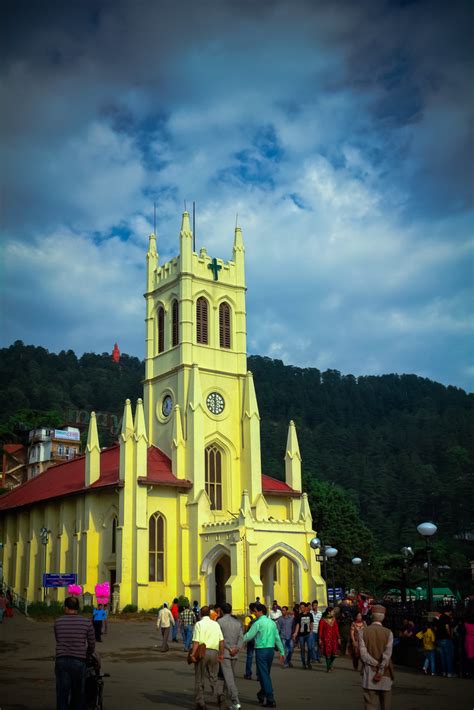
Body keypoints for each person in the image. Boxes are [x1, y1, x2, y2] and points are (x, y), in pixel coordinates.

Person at [54, 595, 96, 710]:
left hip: (61, 660)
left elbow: (58, 639)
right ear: (78, 608)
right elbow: (92, 643)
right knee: (78, 693)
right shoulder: (86, 622)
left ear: (66, 608)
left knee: (62, 693)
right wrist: (88, 653)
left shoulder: (58, 622)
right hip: (79, 661)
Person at [243, 602, 285, 709]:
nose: (254, 613)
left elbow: (248, 636)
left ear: (259, 611)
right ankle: (261, 694)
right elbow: (277, 638)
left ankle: (270, 698)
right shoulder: (272, 623)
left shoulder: (257, 623)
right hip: (270, 650)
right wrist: (282, 652)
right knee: (264, 674)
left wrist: (237, 642)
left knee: (264, 674)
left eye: (255, 611)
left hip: (261, 650)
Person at [358, 604, 394, 710]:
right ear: (383, 617)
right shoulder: (388, 633)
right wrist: (381, 667)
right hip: (386, 674)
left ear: (372, 616)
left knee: (370, 704)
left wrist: (375, 664)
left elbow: (363, 655)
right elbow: (387, 654)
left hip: (369, 673)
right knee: (386, 705)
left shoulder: (363, 632)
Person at [190, 605, 225, 710]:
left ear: (200, 614)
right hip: (214, 652)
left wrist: (192, 654)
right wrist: (222, 654)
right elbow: (221, 641)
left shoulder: (199, 624)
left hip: (202, 652)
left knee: (199, 678)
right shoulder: (216, 624)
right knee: (214, 676)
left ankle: (201, 702)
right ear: (210, 614)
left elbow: (196, 641)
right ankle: (220, 694)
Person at [217, 602, 243, 710]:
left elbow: (220, 638)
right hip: (235, 653)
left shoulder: (220, 622)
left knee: (229, 678)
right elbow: (241, 637)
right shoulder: (237, 622)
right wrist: (236, 648)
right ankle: (224, 696)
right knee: (230, 676)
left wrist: (228, 648)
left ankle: (236, 701)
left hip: (225, 652)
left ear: (221, 611)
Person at [318, 607, 340, 672]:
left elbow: (336, 629)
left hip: (333, 639)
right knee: (327, 654)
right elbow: (320, 630)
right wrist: (319, 639)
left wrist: (338, 637)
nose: (334, 613)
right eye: (333, 611)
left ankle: (330, 664)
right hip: (326, 639)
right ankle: (328, 668)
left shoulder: (334, 620)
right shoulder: (322, 620)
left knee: (335, 654)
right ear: (329, 612)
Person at [293, 601, 313, 669]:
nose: (301, 609)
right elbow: (298, 625)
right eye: (300, 608)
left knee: (310, 648)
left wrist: (311, 631)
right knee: (302, 649)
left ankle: (308, 662)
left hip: (308, 634)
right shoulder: (299, 615)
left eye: (302, 607)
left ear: (305, 607)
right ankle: (303, 663)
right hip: (301, 635)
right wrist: (295, 633)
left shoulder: (310, 615)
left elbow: (311, 623)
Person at [436, 610, 455, 677]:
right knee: (449, 657)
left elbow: (435, 628)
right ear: (449, 611)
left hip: (439, 639)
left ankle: (444, 672)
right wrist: (450, 635)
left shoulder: (439, 618)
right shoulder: (447, 618)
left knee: (442, 657)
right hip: (446, 639)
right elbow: (447, 627)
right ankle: (449, 673)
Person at [243, 602, 257, 680]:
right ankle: (259, 675)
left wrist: (244, 641)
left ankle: (248, 674)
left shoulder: (248, 618)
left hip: (251, 640)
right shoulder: (259, 617)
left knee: (249, 656)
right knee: (258, 658)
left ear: (250, 610)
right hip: (258, 640)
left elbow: (245, 630)